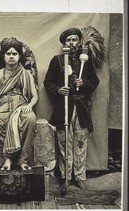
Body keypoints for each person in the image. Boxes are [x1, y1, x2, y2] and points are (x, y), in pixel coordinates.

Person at [44, 27, 100, 192]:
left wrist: (84, 84)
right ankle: (66, 178)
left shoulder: (86, 61)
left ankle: (80, 177)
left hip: (81, 108)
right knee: (64, 144)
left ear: (79, 42)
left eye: (74, 39)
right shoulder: (58, 61)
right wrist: (59, 90)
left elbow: (94, 82)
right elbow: (48, 82)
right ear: (64, 44)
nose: (71, 43)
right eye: (68, 40)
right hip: (64, 108)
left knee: (81, 143)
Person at [0, 37, 38, 171]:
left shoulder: (26, 74)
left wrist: (29, 106)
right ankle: (8, 158)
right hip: (3, 106)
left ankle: (23, 160)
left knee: (30, 119)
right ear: (4, 56)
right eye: (8, 53)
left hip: (21, 105)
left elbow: (35, 96)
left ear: (19, 56)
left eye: (14, 54)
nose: (11, 57)